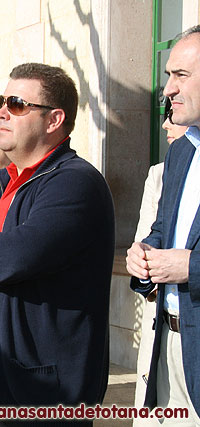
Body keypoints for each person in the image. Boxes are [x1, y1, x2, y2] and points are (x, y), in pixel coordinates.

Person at [0, 64, 114, 426]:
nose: (1, 112)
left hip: (43, 386)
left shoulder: (77, 184)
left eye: (16, 104)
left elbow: (18, 254)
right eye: (2, 101)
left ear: (54, 120)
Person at [127, 26, 200, 424]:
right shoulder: (181, 155)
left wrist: (191, 266)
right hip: (166, 346)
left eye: (180, 75)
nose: (167, 89)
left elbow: (189, 259)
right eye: (168, 75)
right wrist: (143, 254)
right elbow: (161, 231)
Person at [133, 101, 188, 424]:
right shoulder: (161, 173)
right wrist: (141, 262)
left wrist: (188, 266)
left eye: (171, 117)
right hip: (162, 326)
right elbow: (147, 243)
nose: (165, 126)